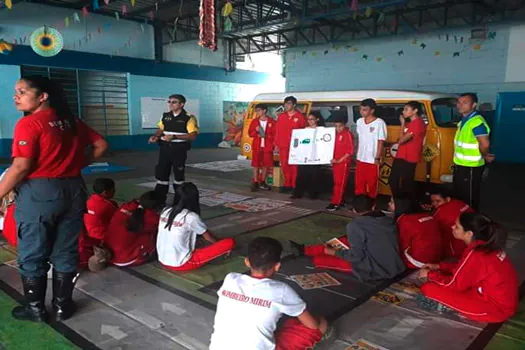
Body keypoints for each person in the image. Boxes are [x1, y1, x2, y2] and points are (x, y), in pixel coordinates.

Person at [0, 76, 108, 322]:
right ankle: (63, 307)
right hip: (73, 189)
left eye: (22, 91)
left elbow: (20, 167)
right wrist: (74, 164)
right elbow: (101, 144)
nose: (15, 96)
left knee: (32, 252)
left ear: (42, 96)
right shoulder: (70, 121)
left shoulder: (29, 124)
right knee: (65, 251)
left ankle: (35, 309)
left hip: (40, 194)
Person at [210, 237, 328, 350]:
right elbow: (312, 325)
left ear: (247, 262)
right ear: (277, 266)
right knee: (320, 323)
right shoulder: (281, 290)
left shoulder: (231, 278)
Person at [419, 212, 519, 323]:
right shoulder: (486, 246)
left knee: (428, 288)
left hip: (496, 310)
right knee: (447, 284)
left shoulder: (477, 253)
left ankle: (447, 305)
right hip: (495, 298)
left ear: (469, 234)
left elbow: (452, 284)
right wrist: (439, 266)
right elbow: (466, 269)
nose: (452, 227)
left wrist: (429, 275)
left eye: (457, 226)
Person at [290, 195, 405, 280]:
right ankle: (304, 250)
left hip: (376, 270)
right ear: (374, 206)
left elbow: (356, 257)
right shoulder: (387, 219)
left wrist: (334, 253)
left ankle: (305, 251)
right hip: (393, 264)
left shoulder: (356, 225)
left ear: (354, 210)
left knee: (320, 260)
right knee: (339, 242)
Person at [157, 182, 235, 271]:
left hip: (162, 259)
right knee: (229, 242)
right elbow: (208, 237)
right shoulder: (190, 216)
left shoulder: (165, 211)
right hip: (182, 263)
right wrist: (219, 245)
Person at [148, 94, 199, 206]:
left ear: (182, 104)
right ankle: (159, 201)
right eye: (169, 102)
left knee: (178, 176)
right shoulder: (165, 116)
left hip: (179, 150)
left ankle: (179, 202)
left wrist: (174, 137)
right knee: (162, 175)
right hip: (165, 149)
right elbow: (161, 129)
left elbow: (193, 136)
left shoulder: (188, 118)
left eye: (174, 102)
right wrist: (155, 136)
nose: (170, 104)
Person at [453, 93, 493, 211]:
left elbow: (485, 143)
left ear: (474, 105)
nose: (460, 105)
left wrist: (485, 155)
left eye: (465, 102)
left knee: (469, 199)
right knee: (460, 197)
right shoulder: (463, 121)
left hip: (471, 167)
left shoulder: (476, 122)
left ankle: (472, 223)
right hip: (461, 165)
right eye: (459, 102)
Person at [104, 191, 160, 267]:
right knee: (155, 234)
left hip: (109, 253)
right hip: (124, 259)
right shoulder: (151, 218)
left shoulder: (126, 206)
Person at [390, 197, 443, 269]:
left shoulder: (404, 220)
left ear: (400, 205)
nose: (389, 204)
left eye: (392, 202)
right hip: (437, 258)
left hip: (420, 262)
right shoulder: (427, 215)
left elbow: (401, 243)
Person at [389, 101, 427, 197]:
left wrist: (402, 124)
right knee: (403, 181)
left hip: (408, 156)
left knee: (398, 181)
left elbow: (401, 140)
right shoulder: (412, 123)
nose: (403, 112)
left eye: (406, 109)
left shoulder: (417, 123)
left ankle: (400, 203)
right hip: (404, 155)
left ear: (415, 111)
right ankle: (400, 204)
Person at [79, 178, 118, 268]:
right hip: (102, 238)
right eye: (113, 190)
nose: (114, 192)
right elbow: (118, 220)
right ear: (105, 192)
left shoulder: (89, 201)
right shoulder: (107, 205)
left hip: (89, 235)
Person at [355, 99, 387, 199]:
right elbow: (360, 138)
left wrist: (377, 157)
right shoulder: (359, 121)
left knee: (372, 184)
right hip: (361, 158)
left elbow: (380, 141)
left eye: (364, 109)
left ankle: (371, 205)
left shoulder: (379, 123)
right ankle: (360, 204)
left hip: (372, 159)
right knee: (359, 182)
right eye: (360, 109)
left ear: (372, 110)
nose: (362, 111)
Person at [430, 189, 474, 260]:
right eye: (432, 201)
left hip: (457, 245)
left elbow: (432, 224)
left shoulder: (440, 213)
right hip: (473, 236)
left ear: (447, 199)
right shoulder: (459, 202)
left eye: (438, 201)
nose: (434, 204)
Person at [274, 96, 306, 193]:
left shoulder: (300, 117)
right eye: (286, 103)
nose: (287, 105)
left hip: (295, 147)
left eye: (289, 103)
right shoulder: (281, 116)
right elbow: (277, 131)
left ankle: (294, 185)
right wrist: (276, 144)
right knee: (285, 165)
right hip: (283, 145)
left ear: (294, 105)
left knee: (294, 166)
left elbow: (304, 132)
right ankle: (287, 184)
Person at [291, 111, 325, 199]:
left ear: (317, 119)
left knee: (314, 175)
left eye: (311, 119)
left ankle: (313, 194)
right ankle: (298, 193)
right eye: (308, 119)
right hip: (305, 156)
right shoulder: (305, 130)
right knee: (301, 174)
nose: (309, 121)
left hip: (316, 157)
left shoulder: (322, 130)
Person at [326, 117, 354, 211]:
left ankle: (335, 203)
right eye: (336, 126)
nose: (338, 128)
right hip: (336, 163)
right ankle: (340, 200)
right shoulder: (335, 134)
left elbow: (350, 151)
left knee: (340, 184)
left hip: (343, 163)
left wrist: (339, 160)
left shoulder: (347, 134)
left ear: (344, 125)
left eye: (340, 126)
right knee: (337, 183)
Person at [248, 104, 275, 192]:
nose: (257, 112)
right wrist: (256, 132)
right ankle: (255, 182)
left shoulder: (272, 122)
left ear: (264, 110)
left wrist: (267, 136)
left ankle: (263, 182)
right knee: (256, 165)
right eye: (256, 111)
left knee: (266, 165)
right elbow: (250, 133)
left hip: (267, 147)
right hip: (257, 146)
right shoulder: (254, 121)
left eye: (259, 110)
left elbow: (275, 134)